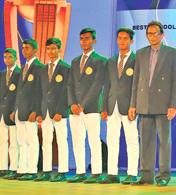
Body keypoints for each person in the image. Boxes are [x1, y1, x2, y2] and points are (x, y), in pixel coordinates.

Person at [129, 21, 176, 186]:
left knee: (165, 142)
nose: (152, 37)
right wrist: (133, 105)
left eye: (155, 33)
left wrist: (173, 104)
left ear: (162, 35)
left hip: (163, 104)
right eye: (149, 34)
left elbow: (175, 80)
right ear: (146, 36)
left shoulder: (172, 53)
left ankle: (163, 176)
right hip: (144, 104)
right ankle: (146, 176)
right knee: (145, 141)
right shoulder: (140, 53)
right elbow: (136, 81)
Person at [67, 28, 108, 183]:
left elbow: (97, 86)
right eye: (82, 38)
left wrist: (82, 105)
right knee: (77, 141)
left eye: (87, 38)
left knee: (93, 140)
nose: (84, 41)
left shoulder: (100, 61)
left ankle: (96, 172)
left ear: (94, 41)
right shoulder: (75, 61)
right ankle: (80, 171)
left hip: (90, 108)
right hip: (74, 109)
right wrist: (72, 104)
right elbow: (70, 84)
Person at [100, 27, 139, 184]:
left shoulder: (137, 60)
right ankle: (112, 173)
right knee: (112, 139)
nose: (122, 41)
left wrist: (134, 105)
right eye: (119, 38)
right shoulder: (111, 61)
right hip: (111, 104)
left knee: (131, 139)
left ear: (131, 41)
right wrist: (103, 107)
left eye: (125, 38)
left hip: (128, 105)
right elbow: (107, 85)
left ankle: (132, 173)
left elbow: (137, 85)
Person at [31, 38, 70, 182]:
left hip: (59, 111)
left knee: (61, 141)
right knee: (46, 141)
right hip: (44, 110)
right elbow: (38, 92)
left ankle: (62, 171)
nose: (51, 51)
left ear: (59, 49)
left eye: (54, 48)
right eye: (48, 49)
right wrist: (38, 112)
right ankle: (46, 170)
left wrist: (61, 110)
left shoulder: (65, 68)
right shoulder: (42, 70)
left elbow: (66, 91)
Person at [13, 39, 44, 180]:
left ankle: (32, 170)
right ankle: (21, 168)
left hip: (31, 110)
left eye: (27, 48)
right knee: (21, 141)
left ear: (35, 50)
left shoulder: (39, 67)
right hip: (21, 109)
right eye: (23, 48)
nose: (24, 50)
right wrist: (15, 109)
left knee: (32, 140)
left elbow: (40, 91)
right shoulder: (23, 67)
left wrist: (35, 110)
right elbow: (19, 91)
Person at [0, 49, 20, 179]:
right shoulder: (2, 74)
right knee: (1, 142)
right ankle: (2, 167)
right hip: (1, 112)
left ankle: (14, 167)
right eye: (5, 57)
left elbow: (20, 95)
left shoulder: (19, 74)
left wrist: (16, 110)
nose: (7, 60)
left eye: (10, 57)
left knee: (14, 142)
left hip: (13, 112)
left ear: (15, 58)